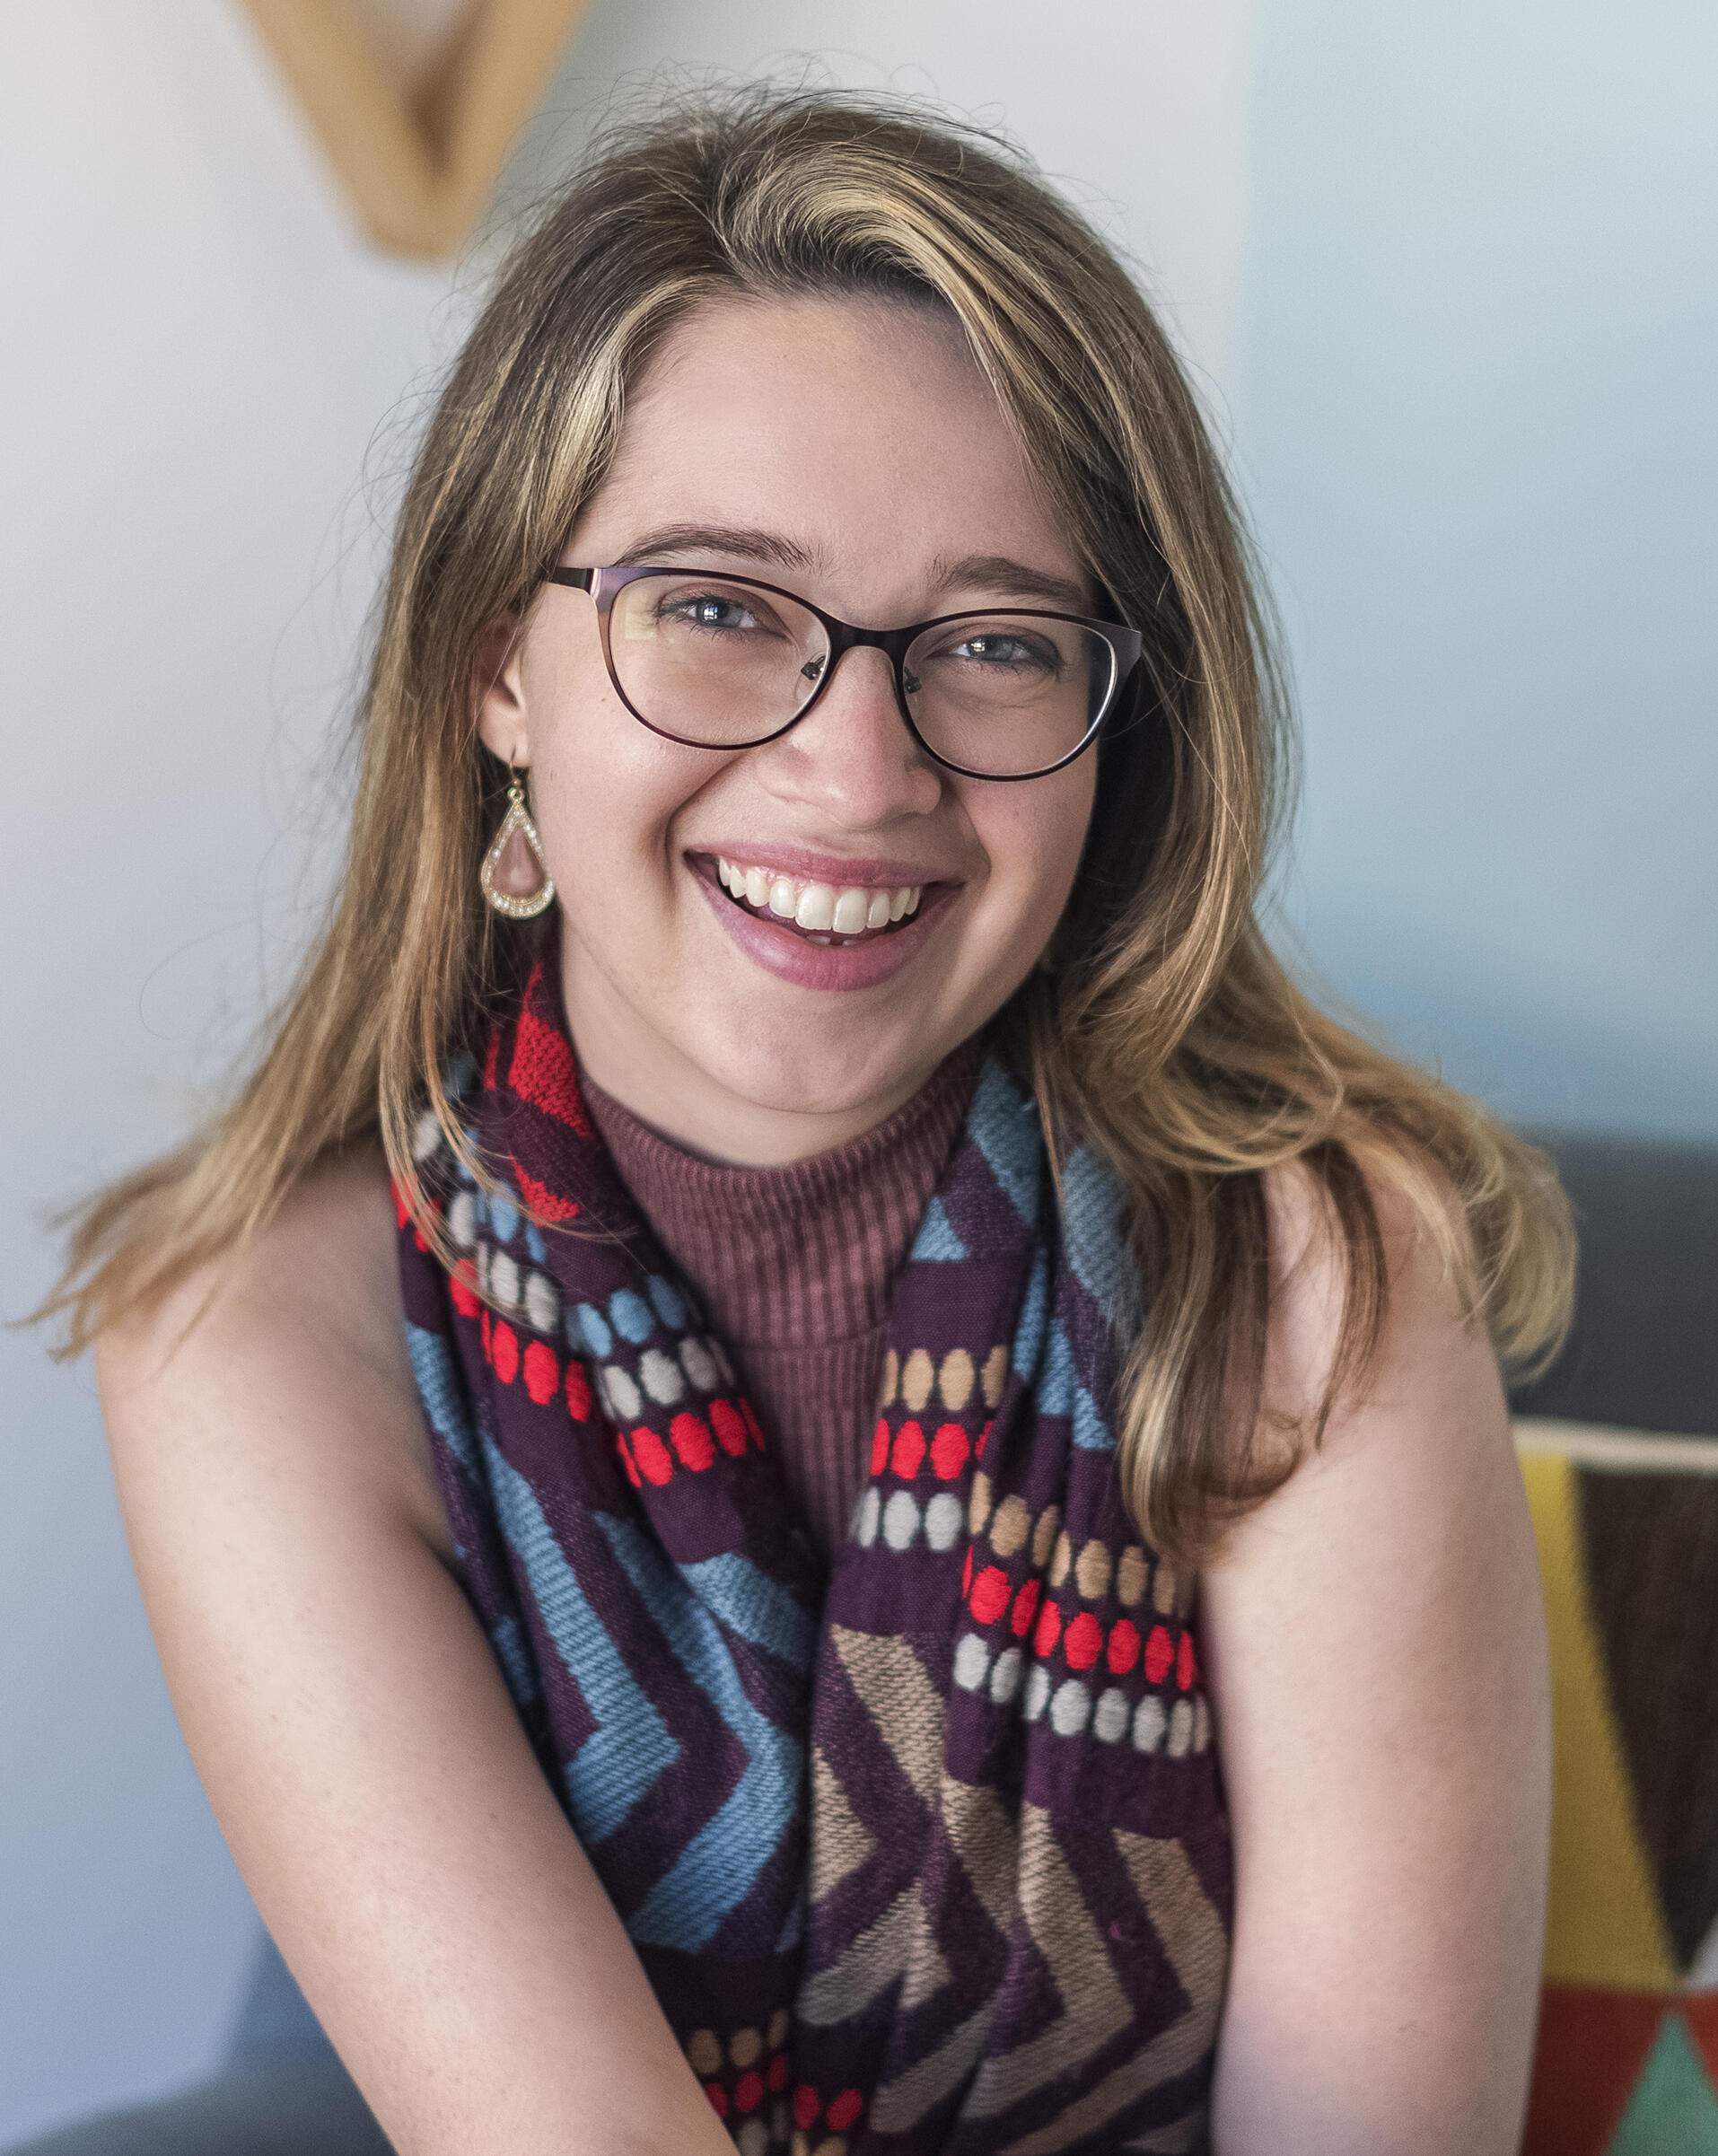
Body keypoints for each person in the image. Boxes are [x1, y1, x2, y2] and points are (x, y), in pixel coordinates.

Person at [45, 89, 1573, 2156]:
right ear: (503, 659)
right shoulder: (255, 1336)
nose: (857, 773)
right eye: (718, 606)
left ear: (1122, 732)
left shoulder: (1311, 1278)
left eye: (995, 644)